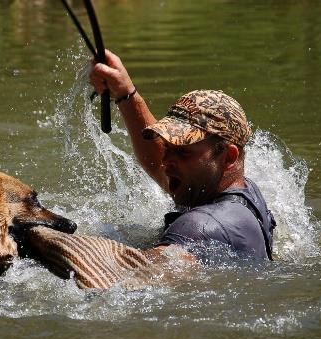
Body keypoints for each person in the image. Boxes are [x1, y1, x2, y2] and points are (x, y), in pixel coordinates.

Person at [89, 50, 276, 261]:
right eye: (168, 147)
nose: (166, 161)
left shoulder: (200, 227)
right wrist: (125, 92)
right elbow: (158, 164)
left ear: (228, 157)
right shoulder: (245, 194)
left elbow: (132, 276)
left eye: (183, 151)